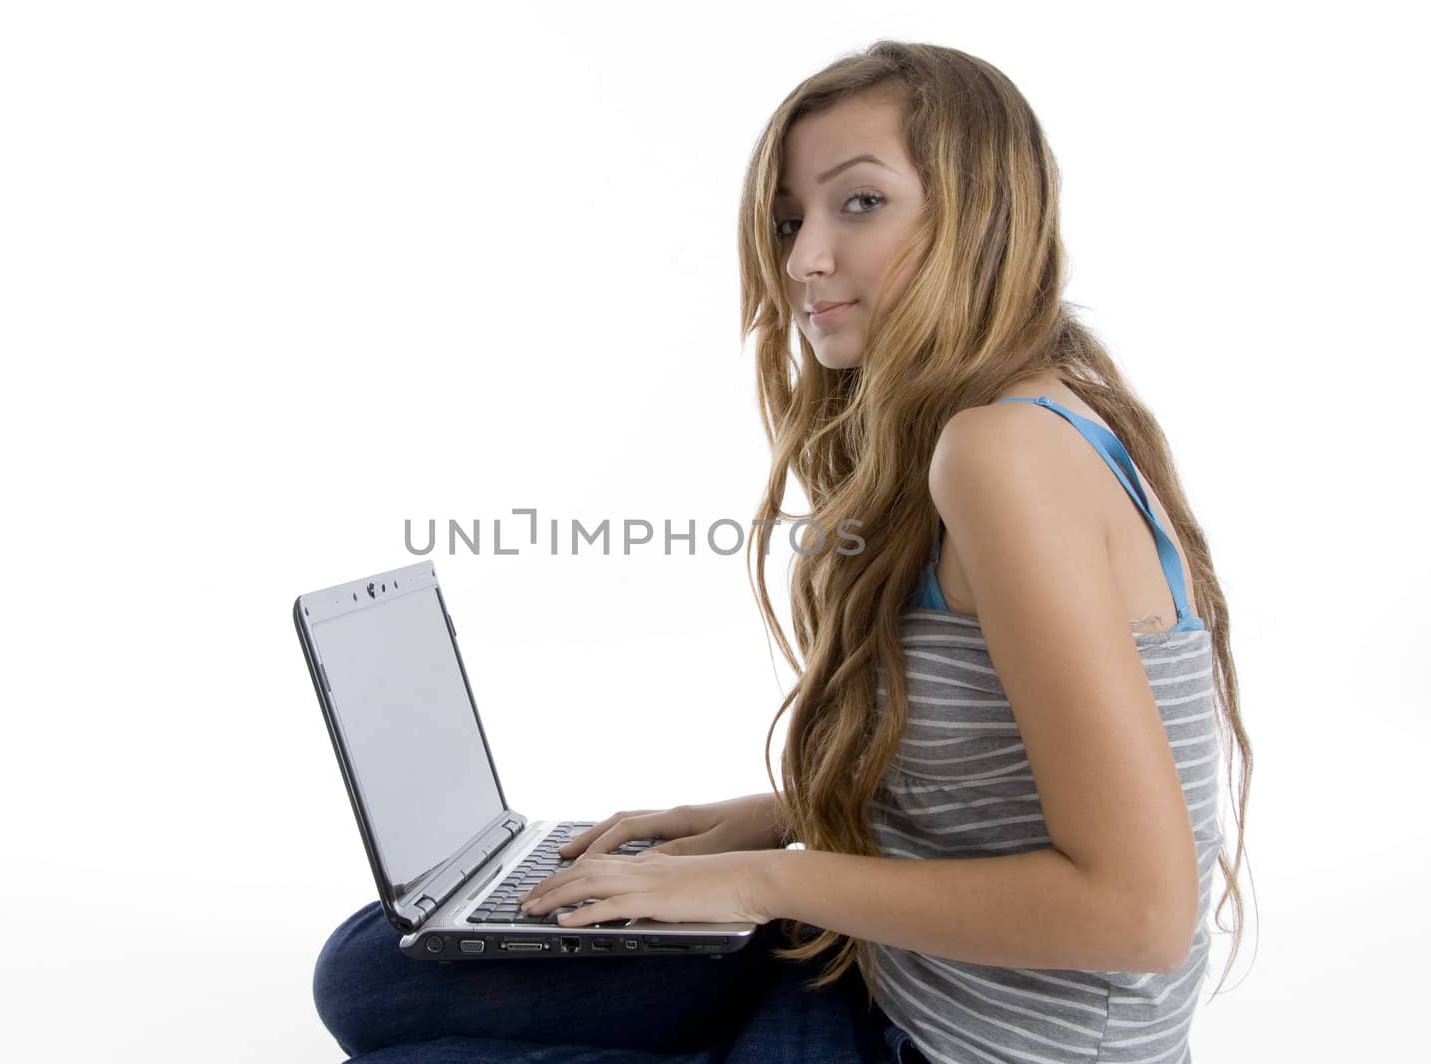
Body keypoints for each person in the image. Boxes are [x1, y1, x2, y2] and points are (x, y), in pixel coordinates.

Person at [313, 39, 1254, 1063]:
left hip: (958, 1046)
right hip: (892, 976)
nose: (804, 259)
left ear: (981, 214)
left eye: (859, 204)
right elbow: (996, 782)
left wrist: (761, 878)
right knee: (377, 963)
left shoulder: (1007, 450)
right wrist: (763, 818)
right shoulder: (996, 421)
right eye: (788, 218)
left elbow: (1137, 910)